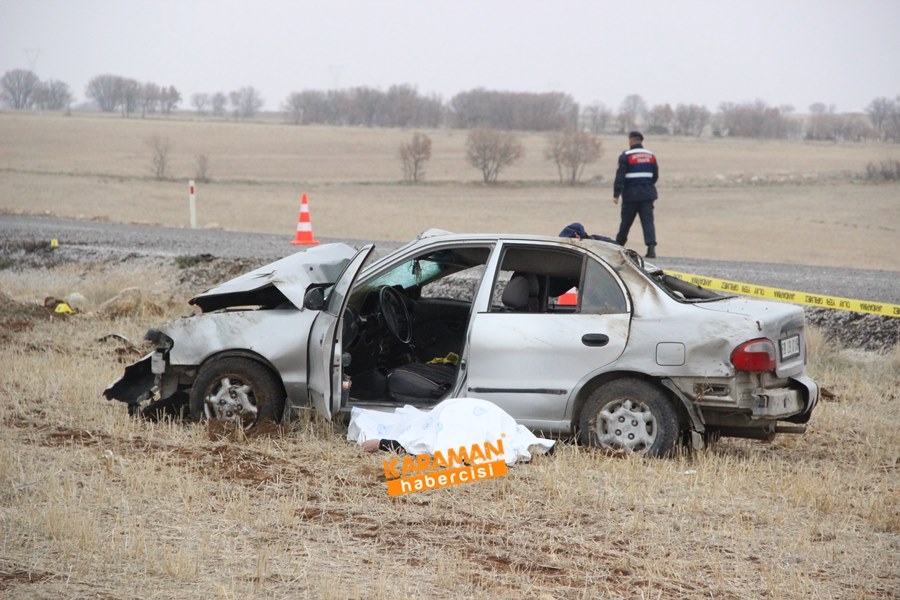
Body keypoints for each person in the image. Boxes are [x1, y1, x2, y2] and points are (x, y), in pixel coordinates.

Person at [612, 131, 659, 258]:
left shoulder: (626, 156)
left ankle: (618, 246)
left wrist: (616, 194)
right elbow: (655, 176)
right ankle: (651, 248)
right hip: (647, 195)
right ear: (641, 141)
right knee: (648, 222)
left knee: (626, 222)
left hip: (631, 196)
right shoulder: (650, 156)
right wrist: (647, 186)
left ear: (631, 141)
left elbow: (620, 176)